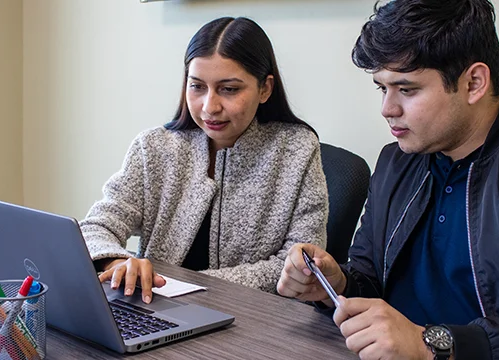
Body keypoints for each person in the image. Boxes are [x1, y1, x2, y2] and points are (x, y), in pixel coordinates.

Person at [277, 0, 499, 359]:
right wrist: (336, 283)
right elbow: (370, 275)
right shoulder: (396, 162)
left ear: (474, 82)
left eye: (407, 89)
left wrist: (431, 343)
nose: (388, 108)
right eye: (381, 88)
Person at [81, 17, 328, 304]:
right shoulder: (155, 148)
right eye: (197, 86)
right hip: (155, 309)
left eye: (229, 89)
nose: (210, 107)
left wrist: (181, 285)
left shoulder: (296, 150)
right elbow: (95, 227)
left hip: (249, 320)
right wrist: (117, 264)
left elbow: (299, 264)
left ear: (265, 89)